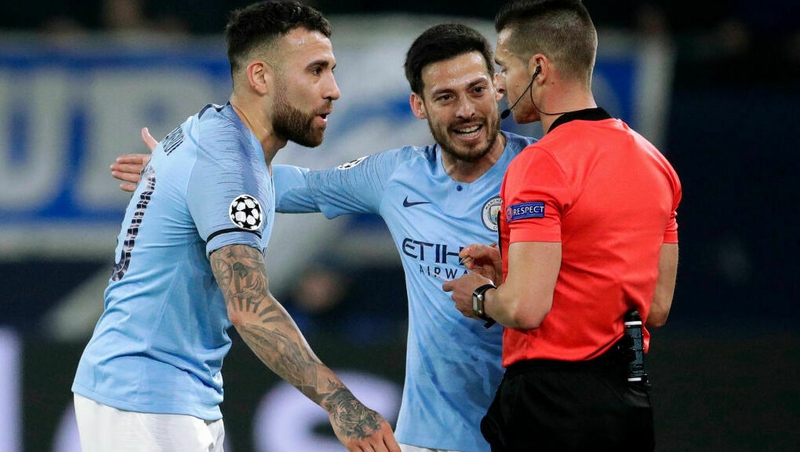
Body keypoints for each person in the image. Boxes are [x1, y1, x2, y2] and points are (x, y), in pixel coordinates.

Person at [111, 23, 538, 452]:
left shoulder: (539, 173)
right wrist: (193, 171)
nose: (465, 109)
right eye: (445, 97)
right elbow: (302, 186)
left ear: (498, 88)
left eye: (477, 90)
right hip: (427, 439)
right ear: (419, 106)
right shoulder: (399, 175)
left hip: (533, 424)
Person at [72, 2, 400, 451]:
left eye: (332, 70)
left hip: (164, 393)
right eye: (316, 71)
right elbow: (248, 307)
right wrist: (341, 404)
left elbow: (292, 185)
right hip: (145, 399)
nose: (334, 90)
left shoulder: (217, 138)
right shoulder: (227, 165)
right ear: (260, 77)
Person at [442, 0, 682, 450]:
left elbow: (525, 310)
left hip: (551, 406)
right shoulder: (656, 164)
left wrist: (479, 296)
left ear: (539, 67)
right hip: (628, 402)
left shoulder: (541, 163)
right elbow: (655, 306)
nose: (498, 84)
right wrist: (523, 265)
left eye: (503, 67)